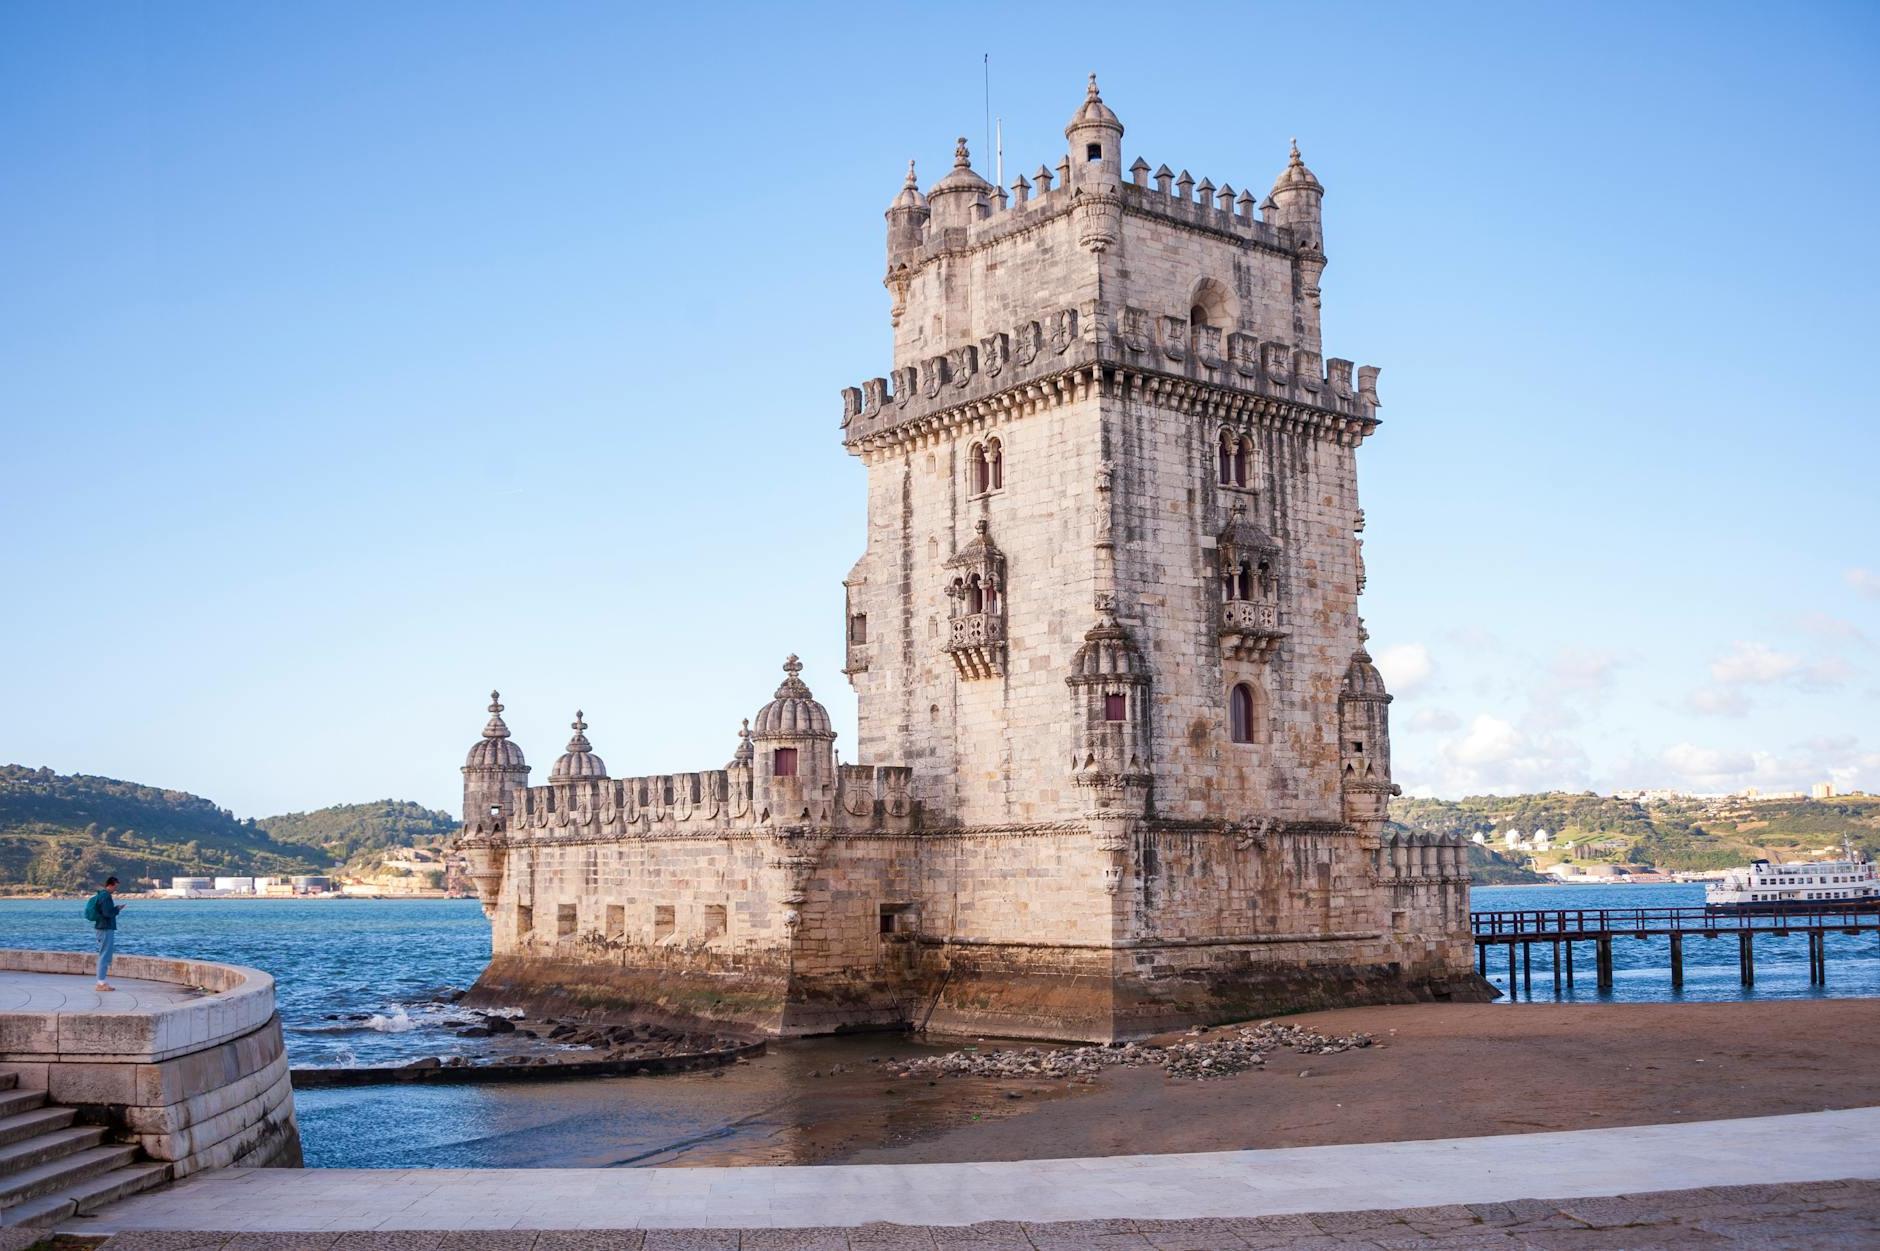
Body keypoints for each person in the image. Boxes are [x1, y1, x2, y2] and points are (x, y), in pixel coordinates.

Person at [84, 876, 125, 991]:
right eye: (115, 886)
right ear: (110, 885)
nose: (116, 889)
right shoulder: (106, 896)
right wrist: (117, 909)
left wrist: (115, 909)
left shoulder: (102, 895)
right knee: (104, 955)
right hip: (105, 928)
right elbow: (107, 913)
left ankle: (101, 982)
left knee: (104, 954)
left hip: (102, 928)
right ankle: (101, 983)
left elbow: (104, 911)